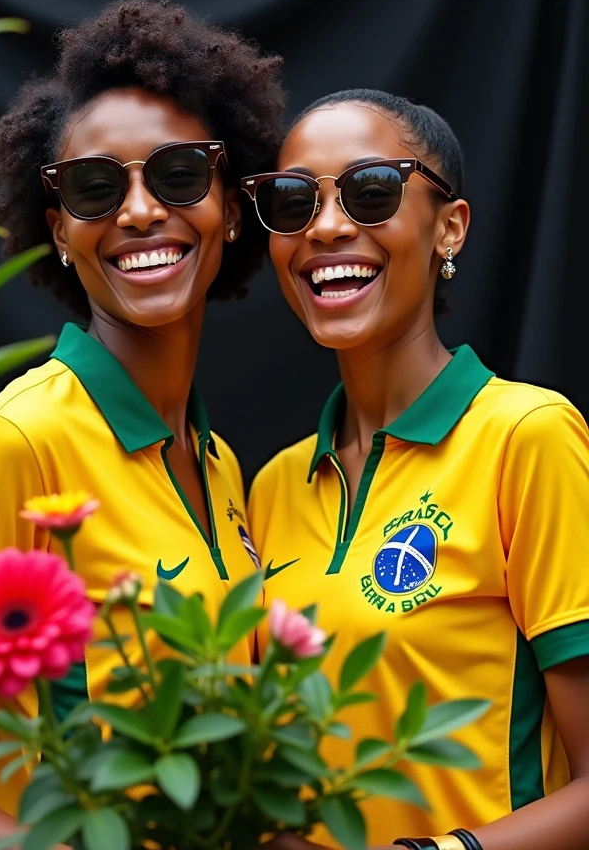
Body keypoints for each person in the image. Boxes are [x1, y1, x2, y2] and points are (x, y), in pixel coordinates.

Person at [0, 0, 285, 850]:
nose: (141, 210)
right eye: (95, 186)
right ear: (61, 230)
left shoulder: (219, 467)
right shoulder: (16, 446)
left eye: (180, 174)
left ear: (226, 201)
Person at [246, 90, 589, 850]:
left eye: (372, 192)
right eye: (293, 202)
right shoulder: (272, 487)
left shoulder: (528, 438)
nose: (327, 227)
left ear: (450, 228)